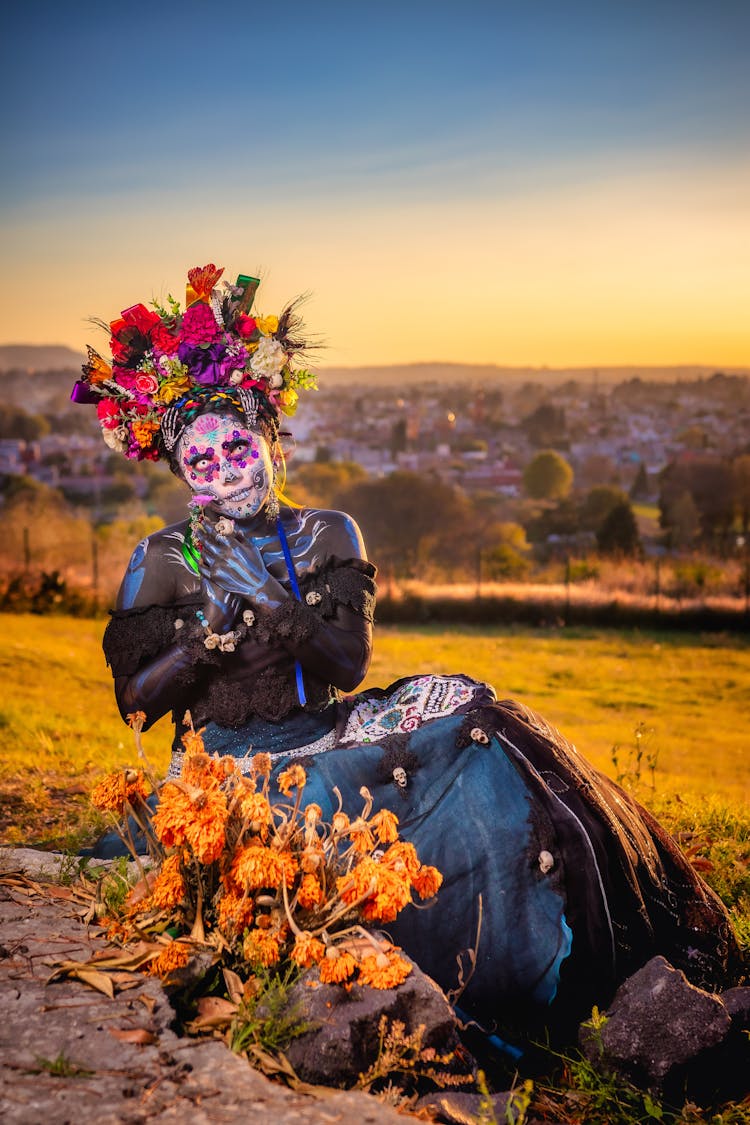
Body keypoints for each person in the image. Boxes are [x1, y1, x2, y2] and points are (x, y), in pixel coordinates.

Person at [72, 263, 737, 1036]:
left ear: (267, 432)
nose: (227, 471)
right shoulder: (163, 555)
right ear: (181, 470)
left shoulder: (326, 531)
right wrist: (208, 630)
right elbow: (134, 701)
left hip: (325, 729)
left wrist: (272, 598)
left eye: (238, 446)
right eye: (203, 460)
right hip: (226, 770)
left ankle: (583, 956)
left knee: (482, 723)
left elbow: (348, 664)